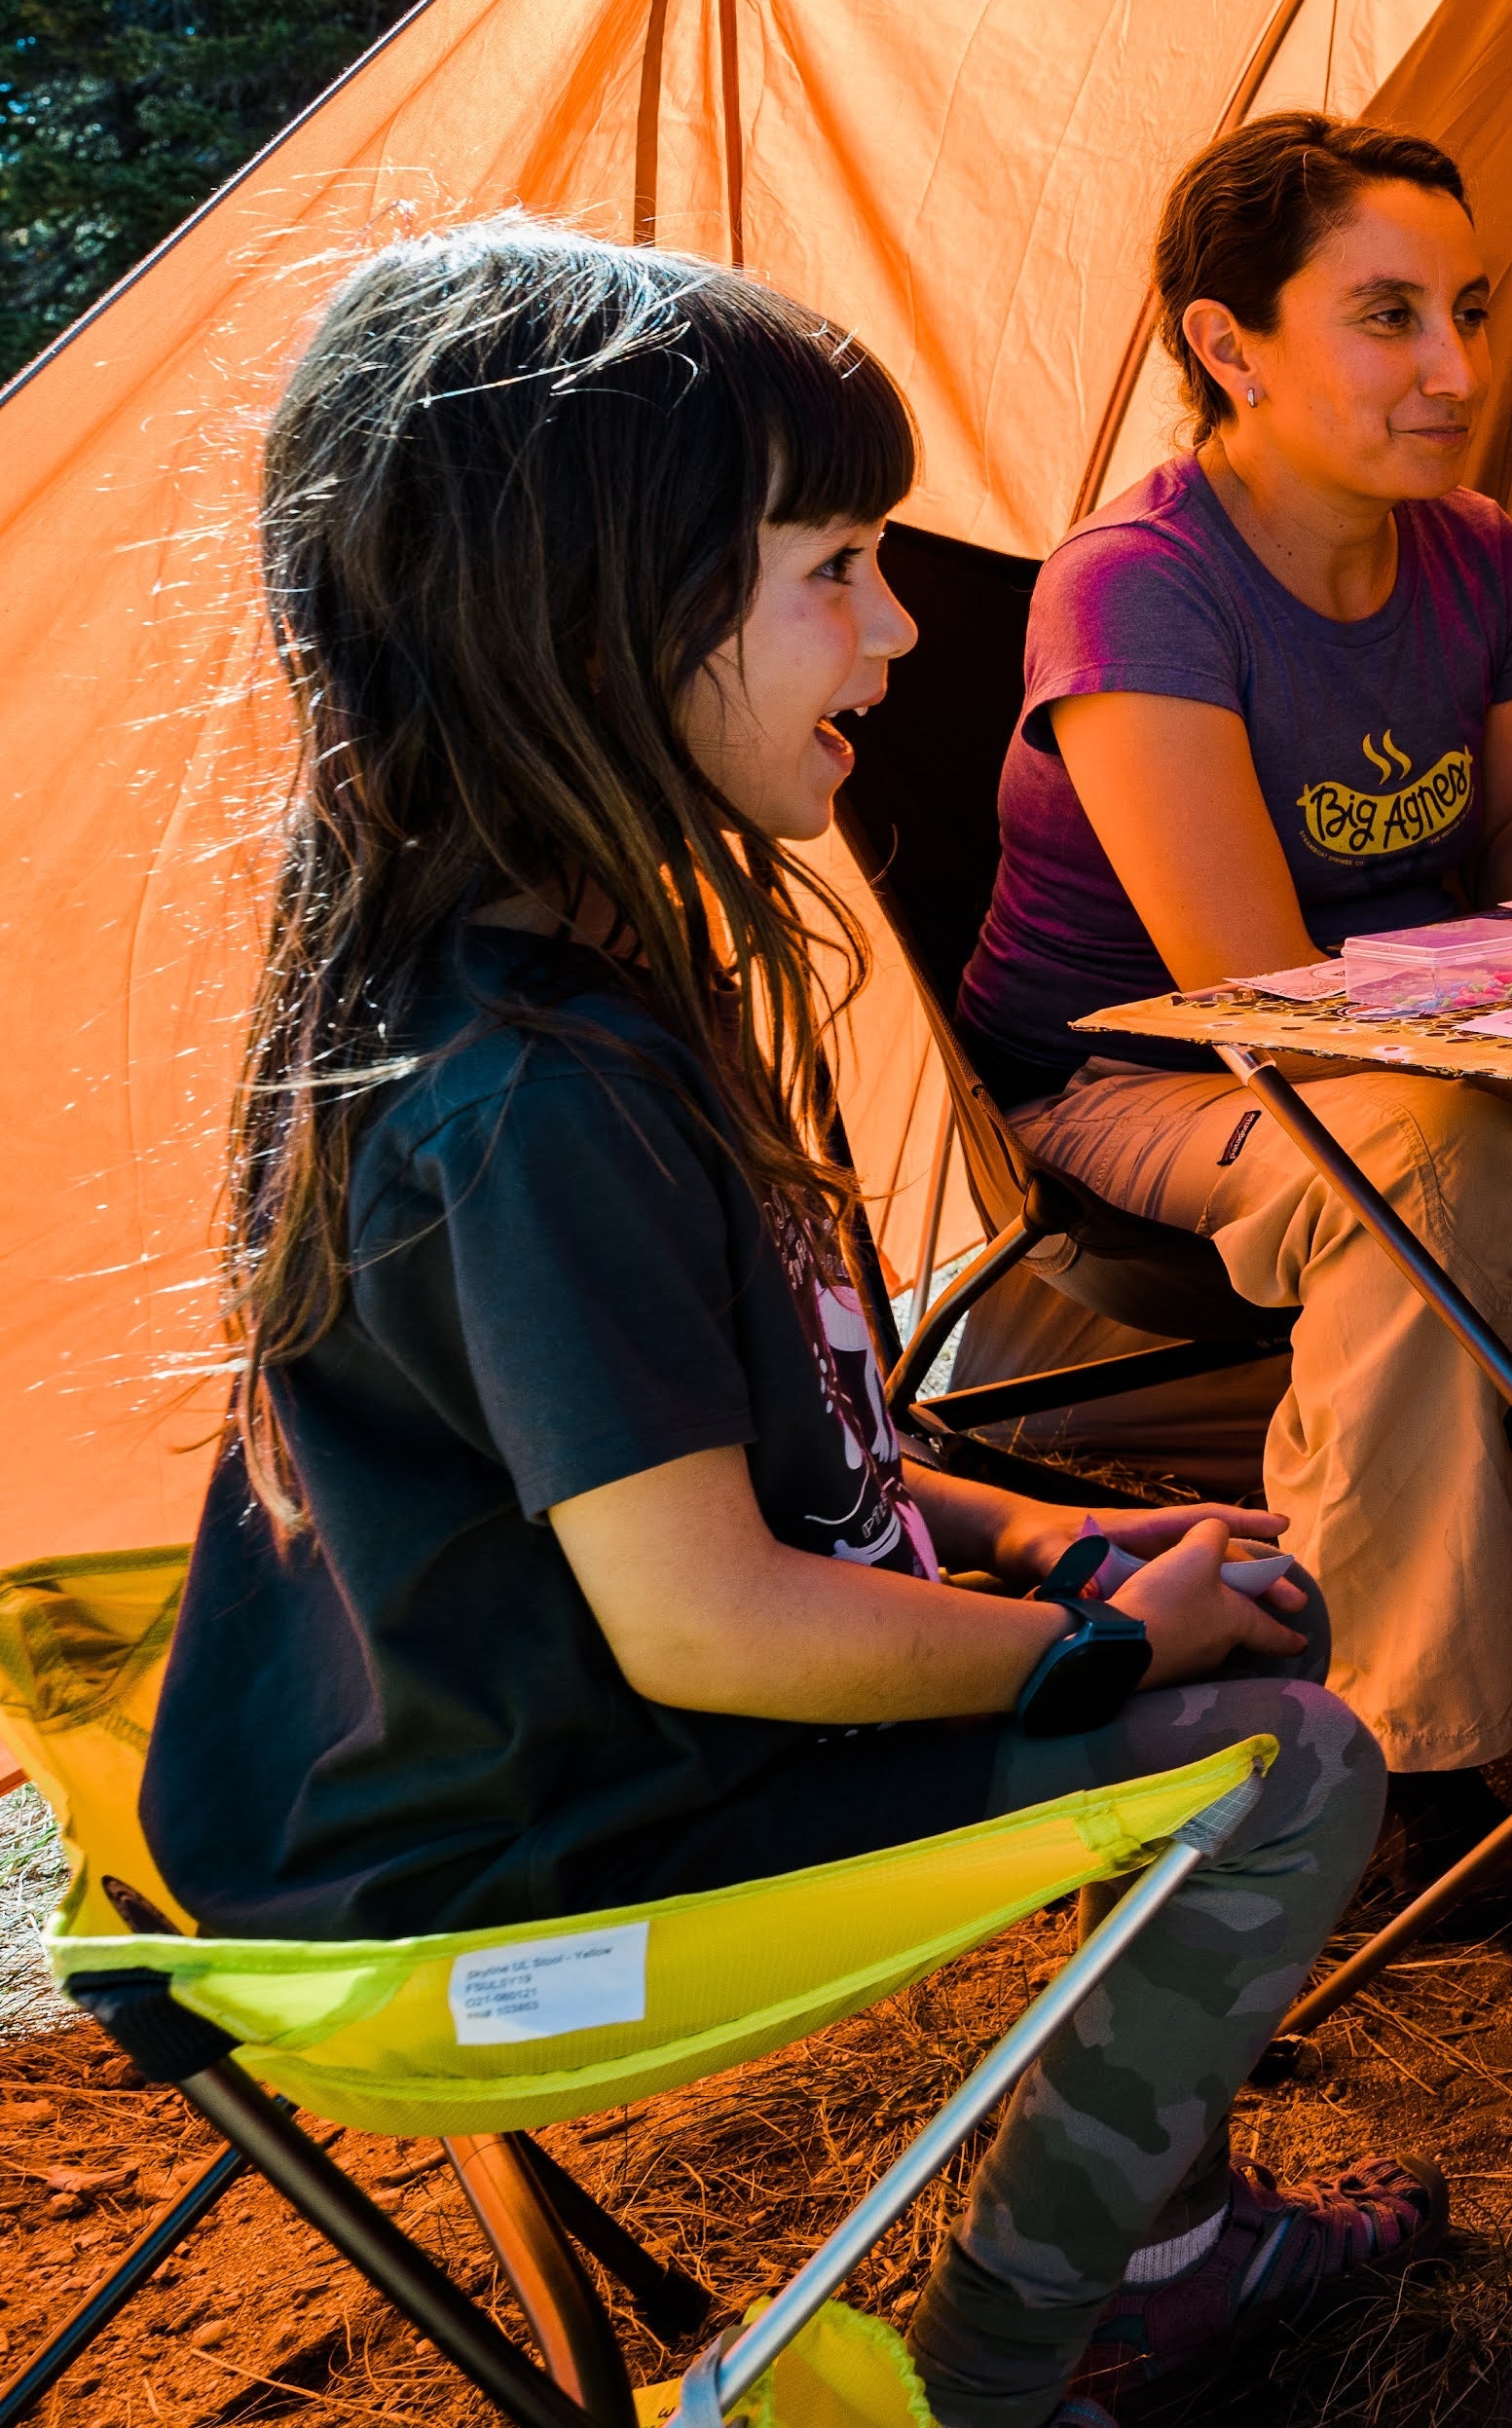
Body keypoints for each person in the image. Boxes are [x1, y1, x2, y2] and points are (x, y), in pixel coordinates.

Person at [148, 223, 1431, 2428]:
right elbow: (710, 1615)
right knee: (1282, 1750)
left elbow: (738, 1449)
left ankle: (1176, 2232)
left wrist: (1041, 1544)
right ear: (595, 616)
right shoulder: (533, 1082)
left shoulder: (579, 979)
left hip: (504, 1752)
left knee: (1250, 1588)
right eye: (833, 562)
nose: (902, 624)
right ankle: (1051, 2344)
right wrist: (1104, 1653)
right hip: (505, 1874)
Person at [954, 114, 1512, 1895]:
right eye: (1390, 316)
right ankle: (1394, 1733)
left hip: (1429, 1035)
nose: (1455, 370)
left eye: (1470, 312)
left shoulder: (1473, 552)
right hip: (1143, 1070)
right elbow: (1256, 999)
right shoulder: (1143, 589)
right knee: (1435, 1173)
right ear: (1227, 342)